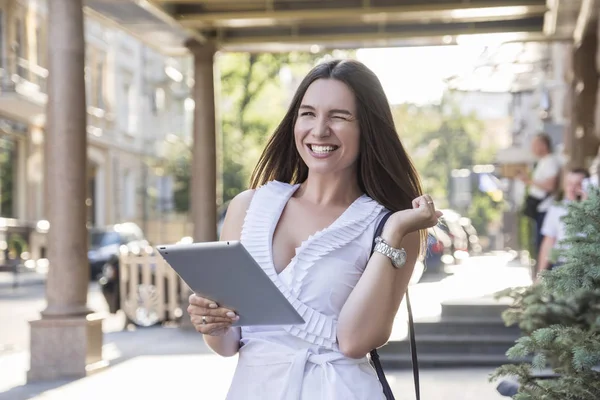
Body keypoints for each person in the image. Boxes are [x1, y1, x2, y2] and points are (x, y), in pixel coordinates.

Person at [186, 59, 441, 400]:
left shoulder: (393, 225)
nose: (319, 130)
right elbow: (228, 343)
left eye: (339, 116)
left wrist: (393, 232)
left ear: (367, 128)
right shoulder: (247, 208)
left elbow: (354, 341)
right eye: (308, 114)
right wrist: (210, 322)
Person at [537, 168, 590, 275]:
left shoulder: (593, 209)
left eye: (578, 184)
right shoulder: (556, 208)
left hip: (588, 266)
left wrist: (586, 205)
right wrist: (540, 274)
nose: (572, 188)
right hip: (562, 265)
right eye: (569, 183)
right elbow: (549, 241)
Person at [518, 133, 561, 255]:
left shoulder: (550, 161)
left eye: (534, 145)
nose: (532, 148)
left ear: (543, 145)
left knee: (544, 246)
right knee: (539, 244)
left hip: (545, 209)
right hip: (540, 209)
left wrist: (529, 181)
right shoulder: (543, 162)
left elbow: (550, 185)